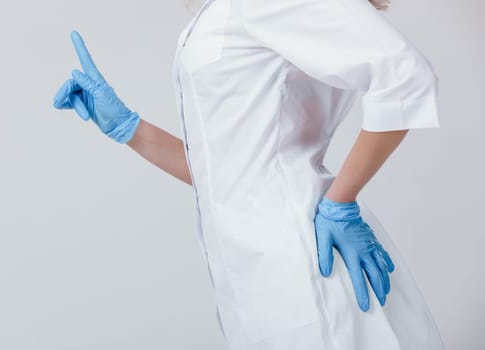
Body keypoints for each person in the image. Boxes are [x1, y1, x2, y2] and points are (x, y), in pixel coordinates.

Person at [53, 0, 446, 348]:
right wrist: (128, 128)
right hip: (254, 279)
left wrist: (340, 201)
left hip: (305, 261)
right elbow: (226, 171)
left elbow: (406, 78)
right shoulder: (218, 12)